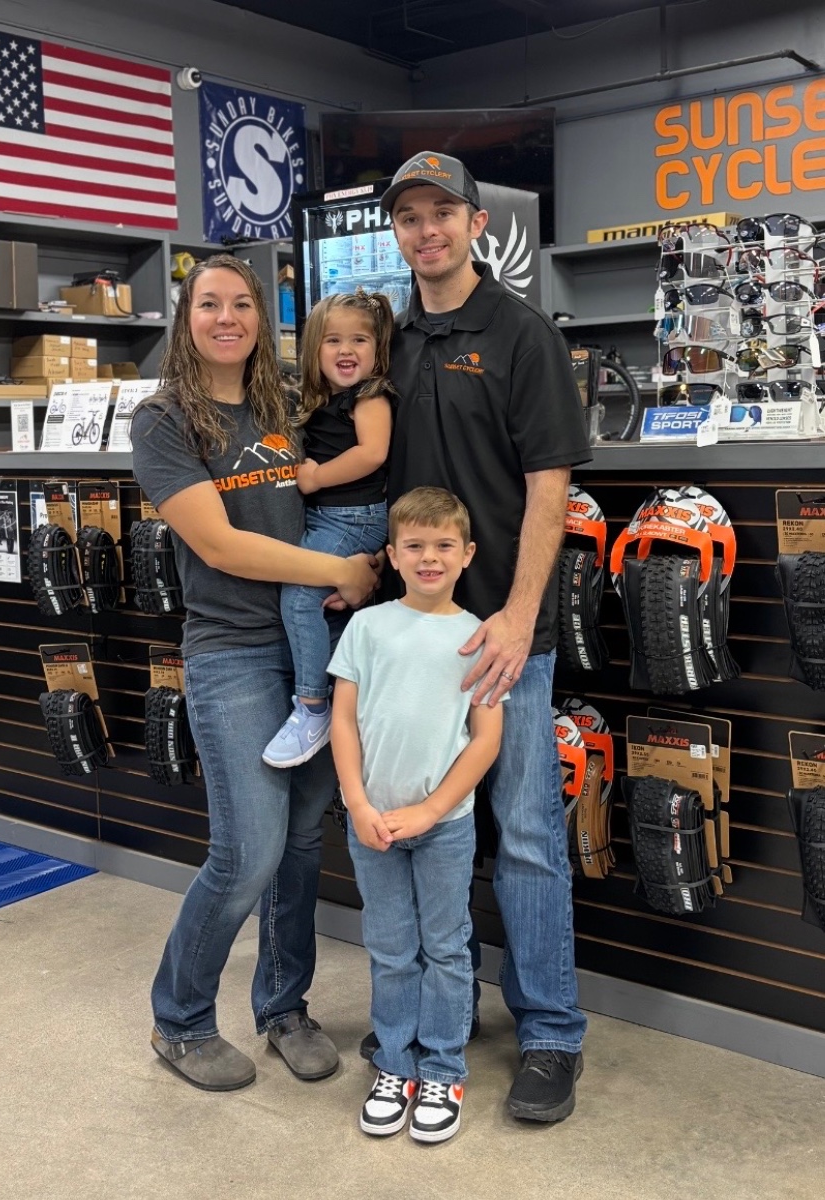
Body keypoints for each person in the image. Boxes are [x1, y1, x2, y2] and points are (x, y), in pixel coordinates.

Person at [377, 151, 593, 1123]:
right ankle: (450, 1006)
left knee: (529, 838)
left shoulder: (521, 334)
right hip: (417, 636)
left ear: (475, 224)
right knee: (437, 834)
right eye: (409, 216)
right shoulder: (393, 340)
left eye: (442, 212)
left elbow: (552, 487)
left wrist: (517, 614)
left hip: (505, 637)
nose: (426, 230)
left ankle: (550, 1034)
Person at [130, 253, 378, 1092]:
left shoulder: (284, 405)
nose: (227, 317)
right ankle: (180, 1020)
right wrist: (338, 572)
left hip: (315, 648)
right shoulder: (164, 419)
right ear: (186, 318)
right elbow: (221, 545)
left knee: (302, 844)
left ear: (262, 319)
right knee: (248, 852)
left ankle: (282, 1007)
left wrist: (371, 554)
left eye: (242, 303)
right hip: (232, 652)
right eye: (210, 304)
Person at [330, 487, 505, 1143]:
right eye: (415, 546)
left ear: (467, 554)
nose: (429, 557)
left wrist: (432, 809)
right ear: (394, 555)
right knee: (391, 949)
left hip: (445, 829)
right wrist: (356, 802)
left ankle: (443, 1070)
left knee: (446, 949)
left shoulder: (478, 638)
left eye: (443, 545)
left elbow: (485, 740)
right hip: (372, 824)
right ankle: (395, 1065)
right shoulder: (367, 627)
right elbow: (343, 722)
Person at [262, 289, 394, 768]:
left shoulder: (370, 395)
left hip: (354, 516)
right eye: (333, 340)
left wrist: (316, 477)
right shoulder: (327, 399)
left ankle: (312, 705)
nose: (346, 350)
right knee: (317, 603)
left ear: (378, 349)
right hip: (332, 517)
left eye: (359, 340)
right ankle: (336, 700)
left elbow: (372, 453)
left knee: (300, 596)